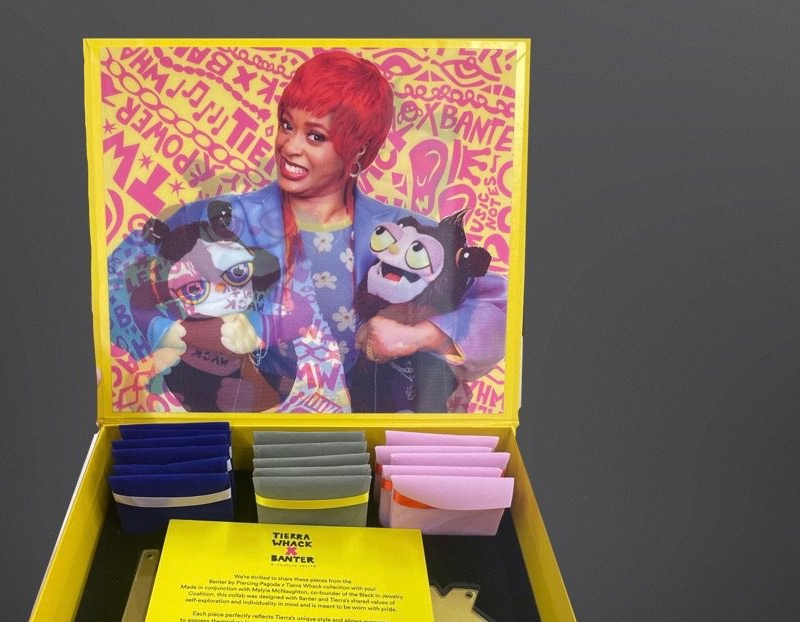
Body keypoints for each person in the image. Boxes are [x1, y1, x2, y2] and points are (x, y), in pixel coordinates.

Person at [108, 49, 507, 413]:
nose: (289, 146)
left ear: (359, 150)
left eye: (315, 136)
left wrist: (420, 336)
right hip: (252, 430)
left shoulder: (404, 234)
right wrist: (174, 334)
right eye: (287, 125)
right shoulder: (223, 217)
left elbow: (499, 309)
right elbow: (114, 281)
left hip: (381, 438)